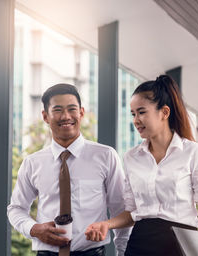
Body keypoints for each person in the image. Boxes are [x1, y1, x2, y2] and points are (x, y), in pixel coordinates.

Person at [85, 75, 198, 255]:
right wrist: (106, 224)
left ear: (164, 112)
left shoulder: (193, 153)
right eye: (133, 114)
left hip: (179, 246)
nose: (136, 120)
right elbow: (132, 212)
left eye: (142, 112)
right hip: (139, 244)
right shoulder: (131, 158)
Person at [8, 83, 130, 256]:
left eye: (72, 109)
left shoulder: (106, 156)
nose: (66, 116)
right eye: (57, 110)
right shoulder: (32, 163)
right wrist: (34, 229)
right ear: (45, 116)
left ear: (81, 112)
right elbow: (16, 209)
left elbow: (121, 208)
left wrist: (122, 252)